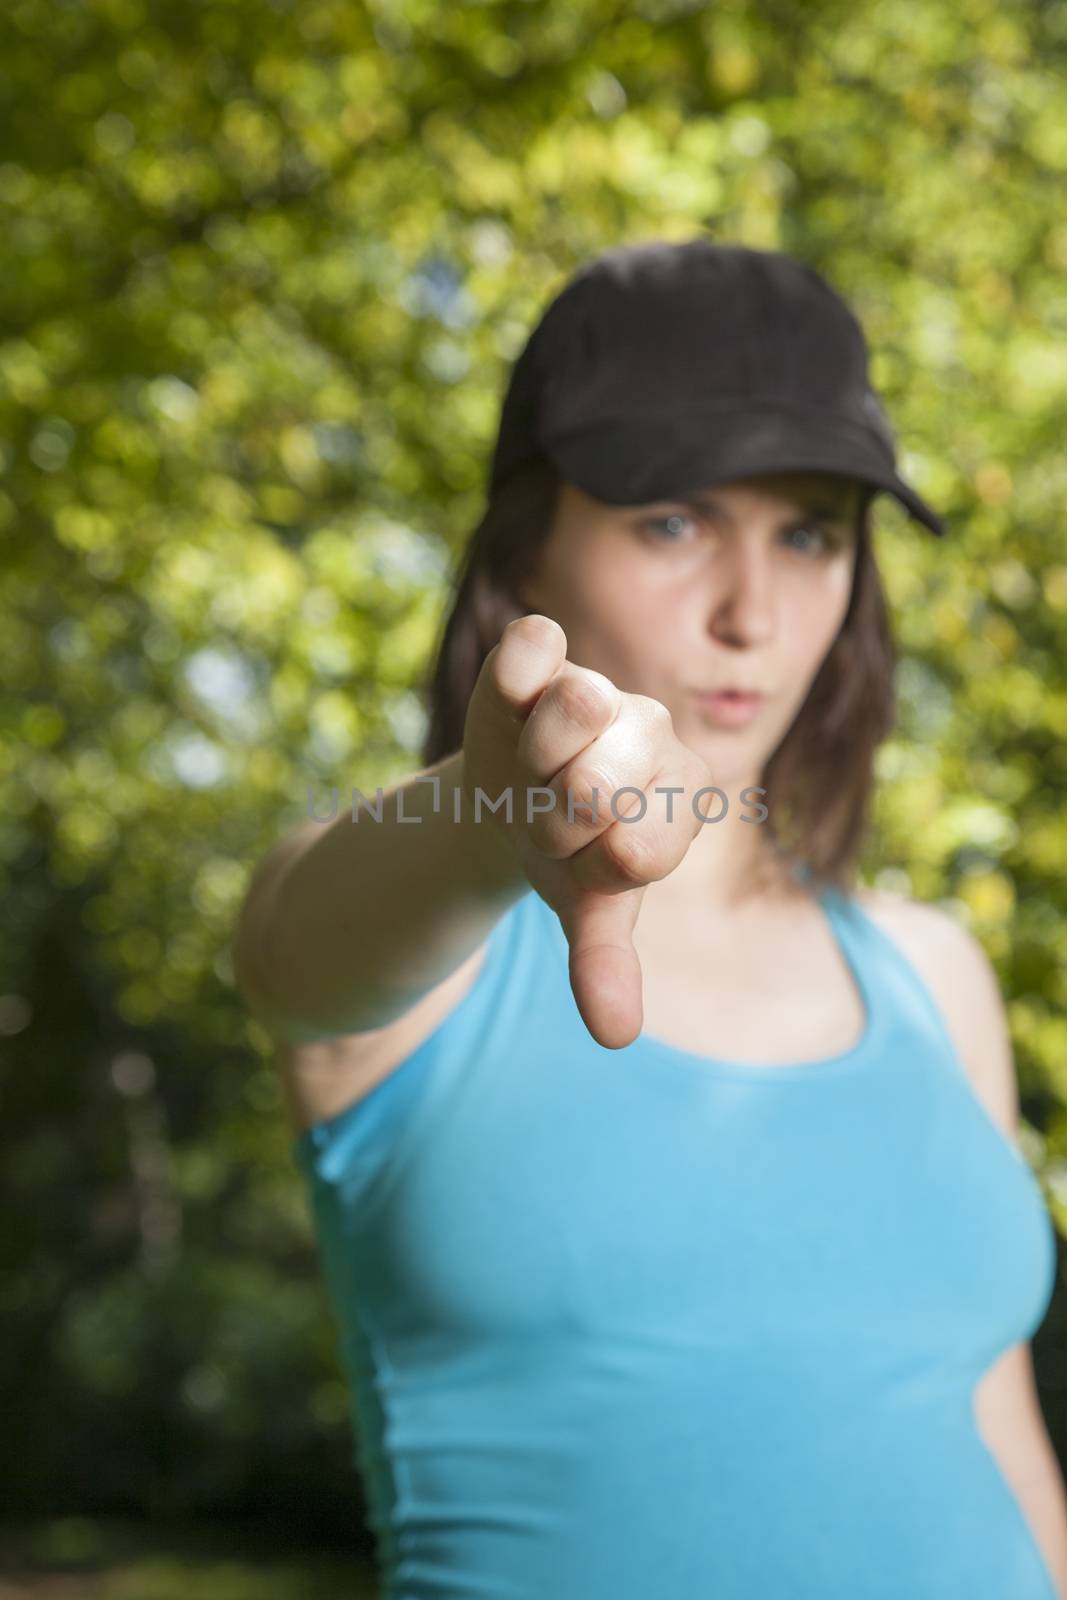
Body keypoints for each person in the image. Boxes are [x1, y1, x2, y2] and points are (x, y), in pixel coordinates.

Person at [232, 238, 1067, 1598]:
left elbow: (1003, 1448)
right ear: (526, 554)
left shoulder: (936, 976)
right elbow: (295, 952)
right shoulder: (410, 914)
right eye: (673, 521)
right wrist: (494, 813)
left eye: (810, 532)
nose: (753, 613)